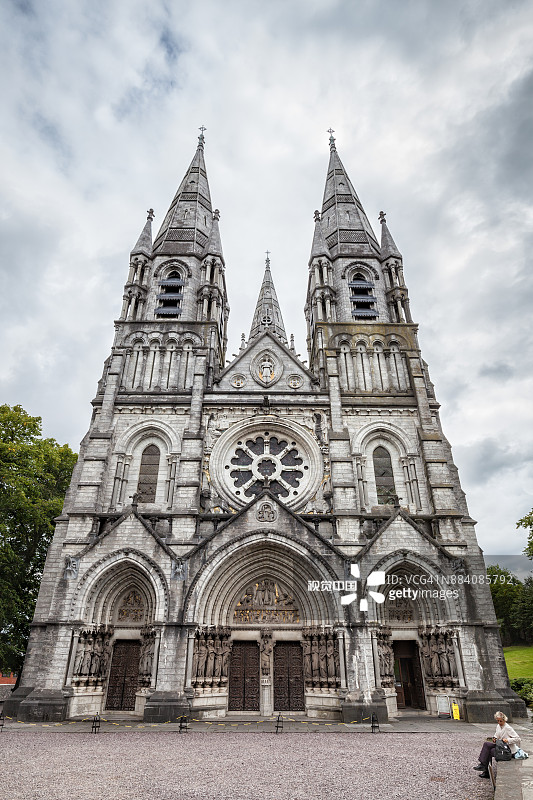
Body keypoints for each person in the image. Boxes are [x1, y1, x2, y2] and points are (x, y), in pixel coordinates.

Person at [473, 711, 521, 778]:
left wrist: (508, 740)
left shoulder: (508, 728)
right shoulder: (498, 726)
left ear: (504, 720)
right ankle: (483, 765)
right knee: (486, 744)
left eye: (501, 721)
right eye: (498, 721)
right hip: (500, 745)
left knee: (490, 752)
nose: (499, 722)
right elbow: (496, 734)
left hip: (507, 750)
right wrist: (494, 738)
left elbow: (518, 739)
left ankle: (486, 770)